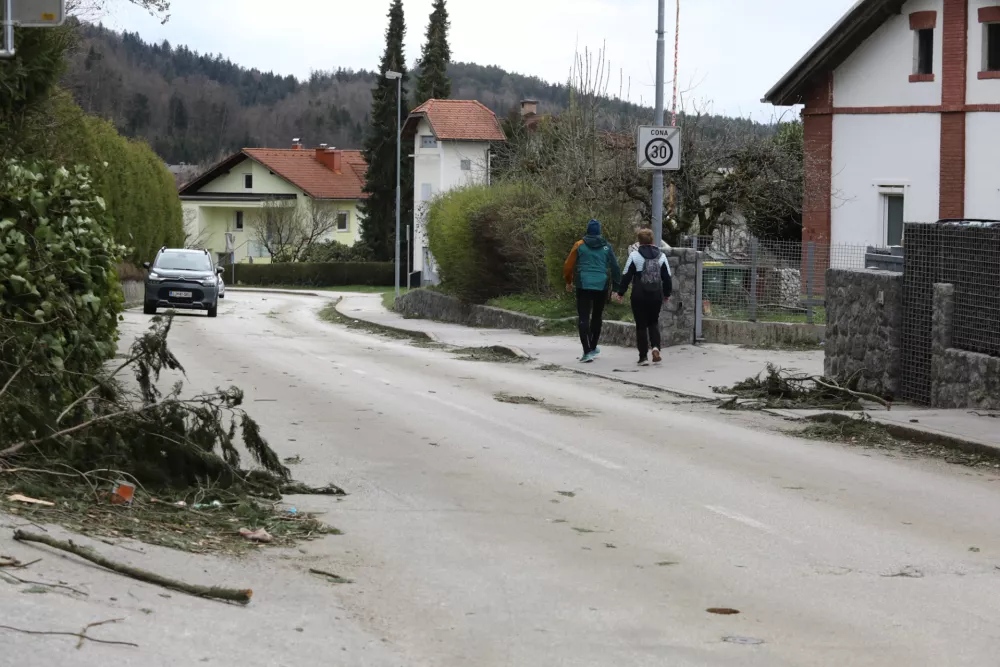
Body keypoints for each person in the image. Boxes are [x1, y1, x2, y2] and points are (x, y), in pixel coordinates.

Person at [563, 219, 620, 363]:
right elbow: (615, 267)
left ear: (587, 230)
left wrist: (568, 281)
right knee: (597, 316)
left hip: (583, 283)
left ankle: (587, 351)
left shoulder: (579, 245)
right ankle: (593, 347)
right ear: (599, 231)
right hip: (601, 285)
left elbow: (568, 266)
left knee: (583, 316)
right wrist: (617, 288)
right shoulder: (606, 246)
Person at [614, 228, 672, 366]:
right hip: (656, 294)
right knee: (653, 322)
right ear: (652, 240)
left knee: (641, 325)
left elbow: (626, 275)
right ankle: (656, 348)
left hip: (639, 295)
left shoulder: (635, 255)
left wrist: (620, 293)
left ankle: (643, 357)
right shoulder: (661, 256)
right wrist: (667, 294)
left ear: (639, 241)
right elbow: (667, 278)